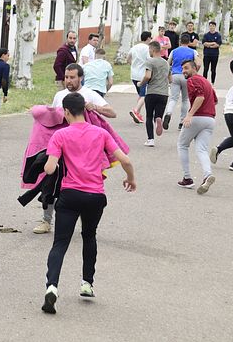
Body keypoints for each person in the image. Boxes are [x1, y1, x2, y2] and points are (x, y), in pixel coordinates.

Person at [39, 92, 136, 315]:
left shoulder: (61, 135)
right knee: (89, 236)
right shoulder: (100, 133)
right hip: (95, 196)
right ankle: (86, 284)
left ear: (65, 112)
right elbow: (126, 160)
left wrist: (48, 163)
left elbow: (50, 169)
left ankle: (52, 287)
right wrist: (131, 178)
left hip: (70, 195)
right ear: (84, 109)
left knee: (60, 243)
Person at [35, 63, 116, 235]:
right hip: (59, 146)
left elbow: (112, 112)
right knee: (49, 183)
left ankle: (80, 219)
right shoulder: (59, 95)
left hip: (82, 151)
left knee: (79, 184)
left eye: (72, 77)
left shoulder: (89, 94)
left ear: (81, 78)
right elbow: (52, 118)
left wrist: (95, 107)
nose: (69, 81)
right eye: (66, 77)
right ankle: (46, 219)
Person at [176, 59, 218, 194]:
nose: (184, 71)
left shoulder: (192, 80)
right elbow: (215, 100)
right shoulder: (206, 81)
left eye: (186, 68)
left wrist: (189, 114)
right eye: (182, 68)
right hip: (210, 120)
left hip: (197, 117)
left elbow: (200, 97)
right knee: (202, 149)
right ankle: (207, 174)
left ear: (195, 68)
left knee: (182, 145)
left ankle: (187, 178)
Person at [163, 33, 197, 131]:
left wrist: (168, 74)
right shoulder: (193, 52)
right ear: (188, 42)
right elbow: (197, 63)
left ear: (180, 41)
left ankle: (168, 113)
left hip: (175, 75)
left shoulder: (174, 51)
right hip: (187, 76)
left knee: (173, 98)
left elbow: (168, 63)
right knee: (185, 99)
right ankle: (181, 122)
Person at [140, 41, 170, 146]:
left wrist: (141, 83)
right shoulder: (166, 63)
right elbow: (170, 79)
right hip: (164, 93)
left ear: (152, 50)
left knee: (148, 116)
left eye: (149, 50)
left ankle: (150, 140)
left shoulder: (150, 61)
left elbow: (147, 76)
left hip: (152, 92)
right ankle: (159, 119)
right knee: (158, 115)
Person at [128, 31, 152, 123]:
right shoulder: (147, 48)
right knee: (144, 95)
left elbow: (128, 58)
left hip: (134, 74)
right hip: (143, 74)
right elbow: (149, 60)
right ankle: (135, 110)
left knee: (140, 95)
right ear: (148, 38)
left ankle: (137, 114)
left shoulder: (134, 47)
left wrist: (133, 65)